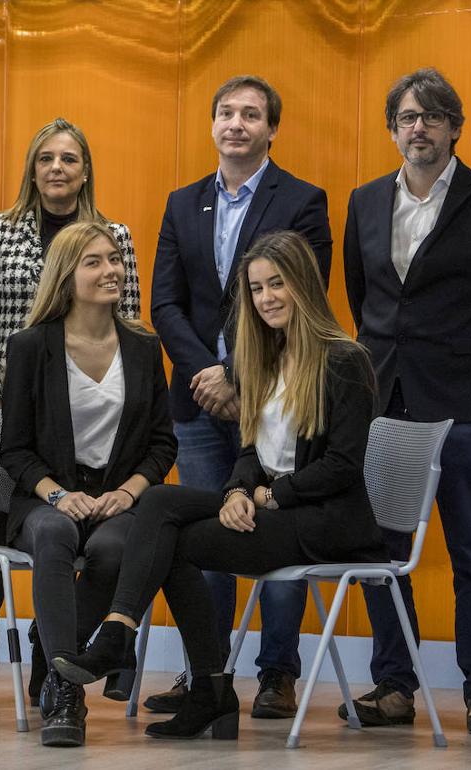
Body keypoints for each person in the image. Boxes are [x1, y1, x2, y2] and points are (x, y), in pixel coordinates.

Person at [55, 230, 386, 741]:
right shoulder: (270, 357)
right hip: (271, 505)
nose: (267, 298)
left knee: (174, 544)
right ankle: (130, 635)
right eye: (256, 289)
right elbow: (254, 452)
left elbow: (344, 464)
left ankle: (198, 681)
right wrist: (236, 492)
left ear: (304, 285)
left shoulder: (344, 359)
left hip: (328, 520)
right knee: (161, 500)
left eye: (278, 284)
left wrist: (273, 497)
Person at [342, 67, 471, 736]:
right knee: (382, 552)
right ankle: (394, 686)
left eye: (430, 116)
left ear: (456, 126)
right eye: (405, 117)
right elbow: (362, 296)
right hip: (385, 400)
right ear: (394, 130)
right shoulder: (364, 202)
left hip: (465, 406)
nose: (416, 127)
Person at [147, 74, 333, 718]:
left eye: (251, 115)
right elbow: (164, 302)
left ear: (271, 129)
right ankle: (208, 672)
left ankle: (277, 673)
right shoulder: (181, 202)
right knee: (207, 535)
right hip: (197, 401)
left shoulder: (305, 200)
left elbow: (300, 301)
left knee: (276, 526)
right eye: (226, 112)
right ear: (212, 125)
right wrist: (209, 375)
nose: (236, 124)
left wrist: (244, 380)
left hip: (280, 396)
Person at [0, 117, 141, 705]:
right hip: (10, 418)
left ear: (85, 170)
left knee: (68, 540)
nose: (56, 168)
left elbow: (128, 320)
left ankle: (50, 657)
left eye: (69, 159)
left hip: (88, 413)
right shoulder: (0, 230)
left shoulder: (113, 236)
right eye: (45, 159)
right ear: (32, 170)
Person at [0, 221, 176, 747]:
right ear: (66, 275)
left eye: (115, 258)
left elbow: (163, 443)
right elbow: (13, 450)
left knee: (115, 549)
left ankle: (56, 662)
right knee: (54, 534)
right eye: (94, 262)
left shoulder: (143, 347)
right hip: (46, 497)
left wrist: (129, 492)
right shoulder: (32, 346)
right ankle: (67, 693)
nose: (111, 270)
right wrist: (57, 493)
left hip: (118, 499)